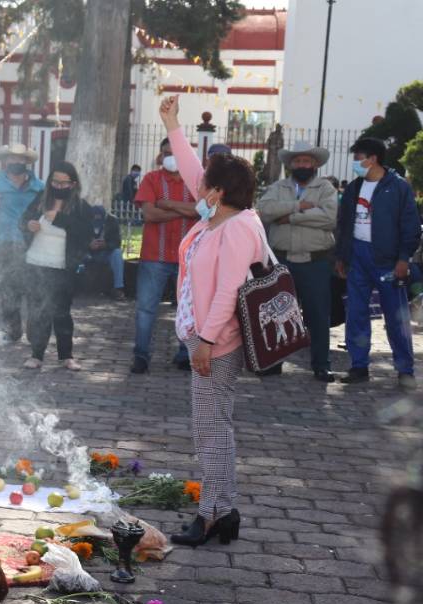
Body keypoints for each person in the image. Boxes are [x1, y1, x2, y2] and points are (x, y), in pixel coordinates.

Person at [159, 95, 262, 547]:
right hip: (202, 337)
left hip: (215, 343)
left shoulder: (237, 227)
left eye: (207, 184)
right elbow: (190, 170)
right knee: (216, 426)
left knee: (211, 430)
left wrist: (204, 339)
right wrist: (172, 123)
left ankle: (210, 516)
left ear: (218, 192)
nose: (198, 186)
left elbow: (227, 291)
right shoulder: (216, 218)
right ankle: (225, 510)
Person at [335, 136, 420, 390]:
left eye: (359, 158)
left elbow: (410, 226)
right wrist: (342, 255)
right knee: (356, 313)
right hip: (358, 257)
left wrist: (404, 258)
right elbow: (343, 223)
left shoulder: (398, 187)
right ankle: (359, 365)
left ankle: (405, 369)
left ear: (373, 159)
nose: (355, 163)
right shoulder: (353, 188)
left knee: (396, 316)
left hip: (388, 259)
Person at [255, 141, 338, 382]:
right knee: (276, 314)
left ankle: (321, 365)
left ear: (315, 164)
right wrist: (299, 206)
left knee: (318, 315)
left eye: (307, 161)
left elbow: (329, 217)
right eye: (298, 161)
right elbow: (266, 209)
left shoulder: (326, 188)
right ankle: (274, 361)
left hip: (315, 262)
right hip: (281, 260)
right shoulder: (278, 187)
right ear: (290, 165)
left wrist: (290, 217)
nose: (302, 165)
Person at [20, 162, 94, 371]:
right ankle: (36, 354)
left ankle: (66, 356)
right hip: (36, 263)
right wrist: (29, 225)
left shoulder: (81, 207)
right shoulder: (40, 201)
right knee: (38, 311)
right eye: (55, 182)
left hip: (63, 267)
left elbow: (86, 233)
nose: (59, 186)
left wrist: (61, 219)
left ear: (73, 184)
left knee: (61, 312)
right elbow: (23, 220)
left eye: (64, 183)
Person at [131, 136, 195, 374]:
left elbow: (203, 211)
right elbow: (149, 214)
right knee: (146, 309)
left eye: (176, 153)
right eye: (167, 153)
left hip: (188, 257)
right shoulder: (151, 179)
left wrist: (166, 204)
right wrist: (184, 211)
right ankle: (141, 356)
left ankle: (185, 355)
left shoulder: (197, 181)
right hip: (153, 256)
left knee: (187, 308)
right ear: (160, 156)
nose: (171, 157)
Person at [0, 144, 44, 342]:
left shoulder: (40, 187)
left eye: (20, 159)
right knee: (7, 289)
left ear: (27, 162)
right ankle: (12, 329)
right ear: (5, 161)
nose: (16, 162)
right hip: (3, 243)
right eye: (12, 158)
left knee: (33, 288)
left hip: (31, 244)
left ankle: (34, 328)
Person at [85, 204, 125, 300]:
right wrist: (88, 245)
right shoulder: (84, 220)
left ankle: (118, 288)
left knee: (117, 253)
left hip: (105, 252)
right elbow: (77, 240)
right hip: (88, 253)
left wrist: (106, 245)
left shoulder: (112, 221)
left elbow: (117, 242)